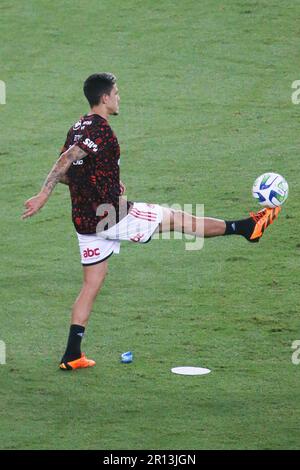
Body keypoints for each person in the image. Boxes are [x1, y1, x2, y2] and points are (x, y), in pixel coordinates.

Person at [22, 73, 281, 371]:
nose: (120, 97)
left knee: (91, 284)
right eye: (116, 93)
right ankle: (246, 228)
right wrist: (43, 195)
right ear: (104, 98)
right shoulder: (100, 130)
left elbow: (70, 174)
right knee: (180, 218)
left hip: (84, 221)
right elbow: (67, 159)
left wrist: (102, 185)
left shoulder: (77, 126)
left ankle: (72, 355)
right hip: (112, 216)